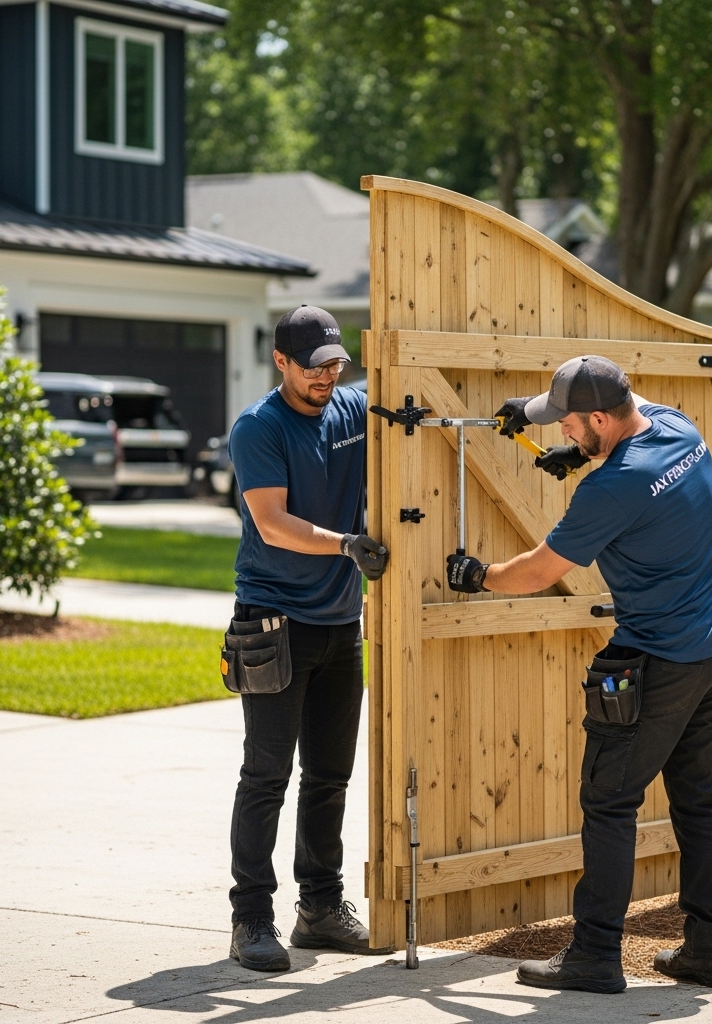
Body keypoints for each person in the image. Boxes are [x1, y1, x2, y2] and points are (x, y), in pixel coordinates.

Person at [446, 355, 712, 994]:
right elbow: (614, 435)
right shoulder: (676, 427)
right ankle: (709, 952)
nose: (561, 436)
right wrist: (533, 415)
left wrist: (478, 577)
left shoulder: (611, 488)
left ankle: (594, 956)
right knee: (699, 804)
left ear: (601, 418)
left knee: (609, 802)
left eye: (569, 426)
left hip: (661, 661)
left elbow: (536, 571)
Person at [225, 304, 389, 972]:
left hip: (339, 624)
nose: (328, 376)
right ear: (281, 362)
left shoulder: (351, 410)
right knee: (267, 776)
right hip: (273, 622)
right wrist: (349, 544)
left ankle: (320, 908)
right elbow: (272, 523)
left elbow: (412, 401)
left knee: (331, 776)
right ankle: (251, 920)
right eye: (315, 366)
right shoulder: (258, 428)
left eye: (336, 364)